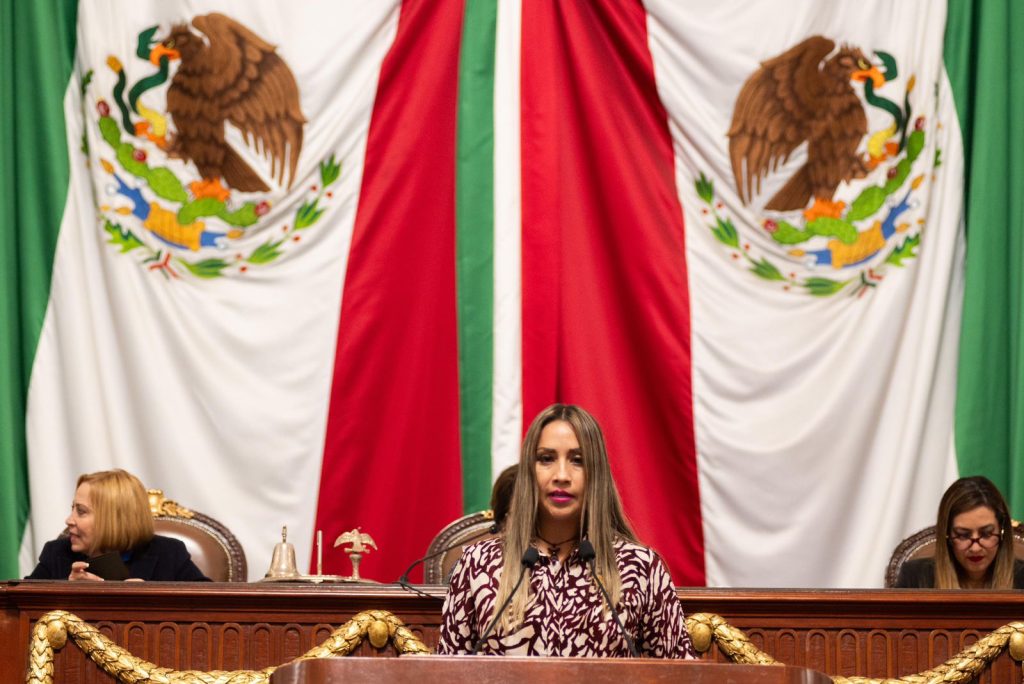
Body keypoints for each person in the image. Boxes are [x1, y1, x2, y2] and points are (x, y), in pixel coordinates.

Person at [436, 404, 696, 657]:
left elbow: (680, 674)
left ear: (597, 474)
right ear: (529, 471)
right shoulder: (478, 563)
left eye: (578, 460)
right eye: (547, 459)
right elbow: (444, 675)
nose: (562, 475)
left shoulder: (641, 568)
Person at [26, 469, 210, 581]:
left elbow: (208, 605)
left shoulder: (169, 553)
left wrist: (151, 597)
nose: (69, 520)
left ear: (114, 518)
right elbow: (20, 607)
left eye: (81, 511)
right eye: (72, 509)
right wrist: (71, 593)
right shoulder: (57, 553)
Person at [896, 475, 1024, 589]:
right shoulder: (915, 577)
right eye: (963, 535)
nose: (975, 548)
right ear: (947, 534)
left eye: (986, 534)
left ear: (1002, 532)